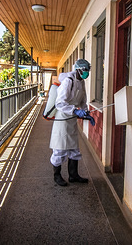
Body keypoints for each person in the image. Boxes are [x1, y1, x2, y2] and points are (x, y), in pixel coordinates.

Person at [49, 59, 95, 187]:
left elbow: (82, 101)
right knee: (60, 149)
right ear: (78, 69)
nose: (87, 73)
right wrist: (75, 110)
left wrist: (86, 113)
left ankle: (73, 175)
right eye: (85, 71)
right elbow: (59, 103)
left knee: (74, 149)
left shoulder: (81, 82)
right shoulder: (68, 81)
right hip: (63, 118)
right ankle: (57, 176)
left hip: (72, 119)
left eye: (88, 71)